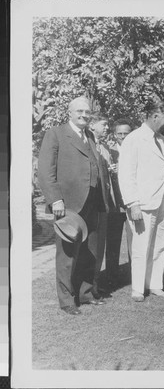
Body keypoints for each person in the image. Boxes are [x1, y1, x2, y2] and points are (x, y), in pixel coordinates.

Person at [38, 97, 109, 315]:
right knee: (67, 253)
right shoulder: (56, 134)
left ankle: (86, 293)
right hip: (68, 204)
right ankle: (67, 300)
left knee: (90, 251)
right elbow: (45, 170)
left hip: (93, 201)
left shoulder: (89, 136)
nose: (84, 115)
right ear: (69, 112)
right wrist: (55, 199)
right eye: (80, 111)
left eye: (87, 112)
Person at [118, 100, 164, 302]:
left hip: (161, 201)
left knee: (159, 245)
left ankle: (155, 284)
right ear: (154, 116)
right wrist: (133, 203)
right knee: (141, 246)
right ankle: (138, 289)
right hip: (142, 202)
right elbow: (126, 174)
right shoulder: (134, 139)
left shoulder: (163, 141)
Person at [88, 115, 119, 297]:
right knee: (90, 248)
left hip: (105, 204)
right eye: (104, 124)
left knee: (99, 247)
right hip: (92, 205)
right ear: (92, 125)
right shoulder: (88, 145)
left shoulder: (105, 148)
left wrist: (111, 171)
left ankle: (95, 285)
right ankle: (87, 286)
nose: (107, 127)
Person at [105, 118, 133, 289]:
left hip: (132, 204)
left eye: (126, 134)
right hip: (115, 206)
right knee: (113, 243)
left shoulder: (136, 150)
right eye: (120, 134)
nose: (123, 137)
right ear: (114, 135)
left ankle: (134, 277)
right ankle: (111, 278)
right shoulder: (109, 151)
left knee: (134, 243)